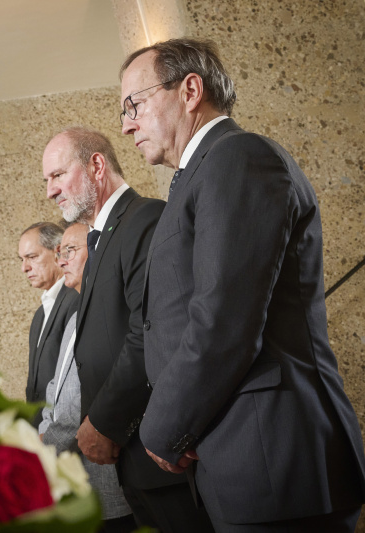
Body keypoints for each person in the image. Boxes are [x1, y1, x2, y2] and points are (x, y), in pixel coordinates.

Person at [120, 37, 365, 532]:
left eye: (134, 104)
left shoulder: (237, 156)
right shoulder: (199, 175)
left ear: (190, 90)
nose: (126, 124)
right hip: (240, 457)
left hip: (275, 459)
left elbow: (223, 322)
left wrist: (161, 429)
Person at [43, 127, 212, 532]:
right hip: (131, 461)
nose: (50, 191)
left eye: (57, 176)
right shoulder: (100, 239)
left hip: (159, 453)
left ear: (96, 166)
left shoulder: (145, 219)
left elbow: (150, 330)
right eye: (46, 180)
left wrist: (103, 422)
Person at [39, 221, 136, 533]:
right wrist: (43, 431)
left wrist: (43, 450)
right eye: (59, 253)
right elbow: (56, 390)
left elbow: (73, 406)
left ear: (97, 252)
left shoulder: (114, 312)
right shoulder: (75, 317)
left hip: (109, 482)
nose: (62, 261)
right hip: (80, 483)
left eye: (70, 250)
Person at [18, 222, 78, 427]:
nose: (24, 268)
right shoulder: (39, 316)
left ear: (57, 253)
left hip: (66, 432)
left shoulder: (75, 299)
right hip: (42, 432)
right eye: (22, 260)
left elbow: (75, 379)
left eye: (32, 257)